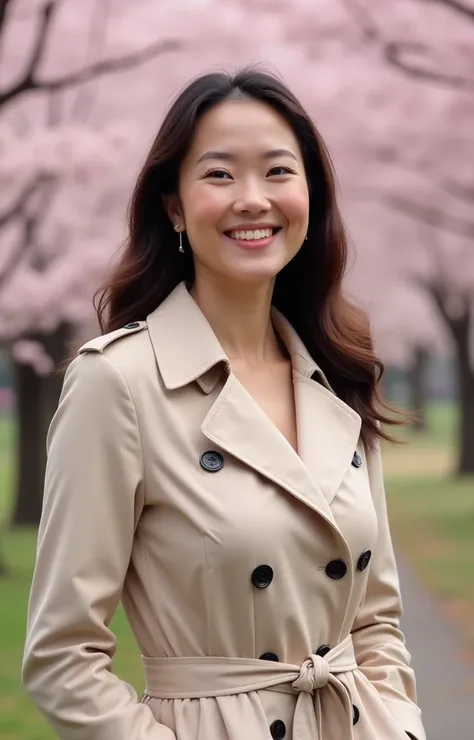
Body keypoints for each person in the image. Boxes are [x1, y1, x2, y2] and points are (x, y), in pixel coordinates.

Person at [22, 67, 426, 740]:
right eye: (218, 175)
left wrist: (402, 724)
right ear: (173, 206)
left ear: (311, 196)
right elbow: (62, 657)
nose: (252, 199)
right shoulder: (118, 383)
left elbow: (376, 619)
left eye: (277, 172)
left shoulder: (337, 370)